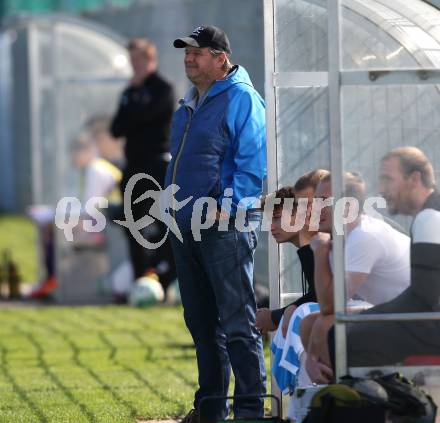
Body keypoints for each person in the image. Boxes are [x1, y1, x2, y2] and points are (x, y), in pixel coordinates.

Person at [165, 25, 267, 423]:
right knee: (201, 325)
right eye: (187, 52)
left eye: (199, 52)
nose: (190, 58)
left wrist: (230, 207)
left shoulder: (241, 97)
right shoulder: (190, 101)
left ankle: (249, 411)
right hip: (185, 226)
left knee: (238, 323)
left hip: (224, 226)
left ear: (221, 59)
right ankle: (210, 409)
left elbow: (252, 158)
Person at [326, 147, 440, 369]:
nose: (381, 189)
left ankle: (395, 402)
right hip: (429, 322)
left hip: (431, 326)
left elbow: (425, 299)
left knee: (344, 340)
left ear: (414, 179)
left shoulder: (429, 218)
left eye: (388, 180)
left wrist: (367, 317)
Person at [302, 172, 411, 383]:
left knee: (324, 325)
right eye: (315, 201)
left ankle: (349, 397)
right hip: (397, 316)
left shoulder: (364, 236)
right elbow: (326, 302)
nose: (315, 209)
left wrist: (320, 253)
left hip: (422, 321)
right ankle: (338, 395)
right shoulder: (341, 238)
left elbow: (330, 306)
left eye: (324, 201)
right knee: (309, 323)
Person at [110, 38, 176, 291]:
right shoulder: (130, 91)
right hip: (133, 166)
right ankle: (140, 278)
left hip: (157, 166)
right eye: (131, 61)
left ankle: (167, 276)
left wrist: (135, 99)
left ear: (150, 60)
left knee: (164, 223)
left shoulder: (162, 88)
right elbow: (116, 128)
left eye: (138, 60)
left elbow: (144, 116)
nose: (134, 66)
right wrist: (133, 98)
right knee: (131, 222)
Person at [256, 169, 329, 337]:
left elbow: (319, 297)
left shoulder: (323, 243)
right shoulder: (313, 244)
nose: (271, 227)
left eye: (277, 217)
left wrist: (274, 316)